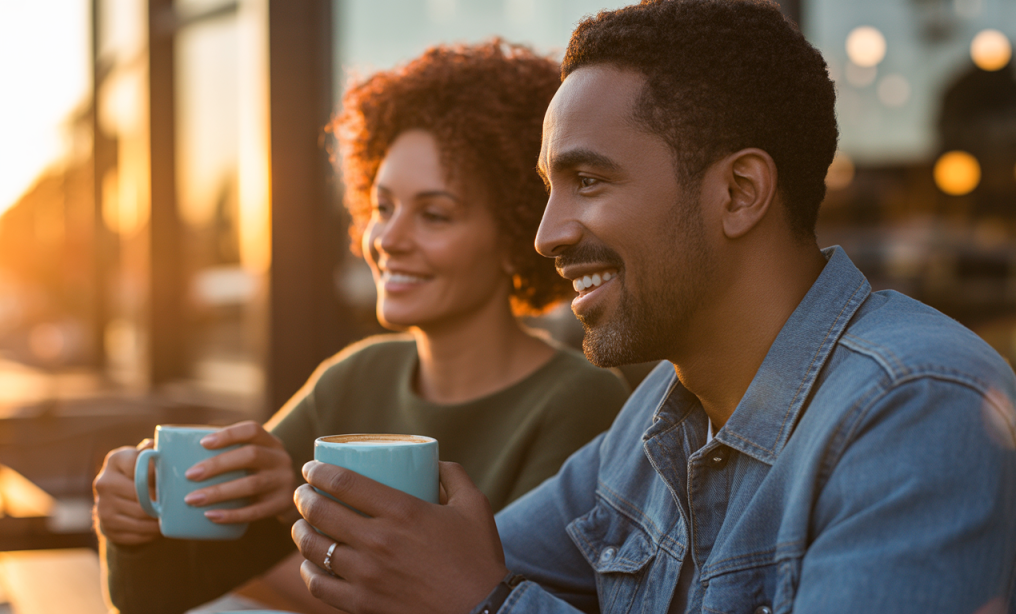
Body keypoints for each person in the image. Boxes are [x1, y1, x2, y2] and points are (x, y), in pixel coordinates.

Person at [288, 1, 1016, 612]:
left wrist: (487, 604)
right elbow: (439, 571)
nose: (546, 235)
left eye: (588, 180)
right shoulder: (655, 421)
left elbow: (470, 586)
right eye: (549, 188)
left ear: (739, 193)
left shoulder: (919, 406)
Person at [92, 40, 630, 614]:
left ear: (516, 235)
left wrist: (278, 549)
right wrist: (134, 523)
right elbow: (166, 594)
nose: (388, 239)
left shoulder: (581, 402)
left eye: (434, 215)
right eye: (383, 207)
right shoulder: (355, 376)